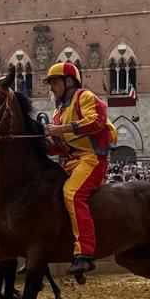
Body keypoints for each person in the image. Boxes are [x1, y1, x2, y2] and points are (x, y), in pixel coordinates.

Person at [44, 60, 116, 277]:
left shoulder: (84, 97)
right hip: (72, 162)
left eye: (54, 82)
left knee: (73, 194)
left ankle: (85, 254)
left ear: (69, 81)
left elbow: (97, 122)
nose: (51, 88)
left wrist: (60, 129)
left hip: (92, 160)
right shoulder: (58, 112)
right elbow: (58, 147)